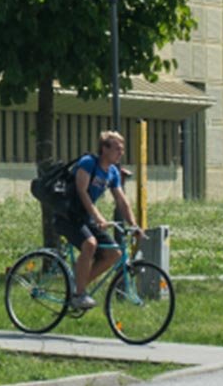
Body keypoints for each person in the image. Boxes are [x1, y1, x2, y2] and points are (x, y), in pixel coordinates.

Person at [60, 130, 140, 310]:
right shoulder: (88, 163)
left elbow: (121, 200)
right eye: (117, 148)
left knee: (114, 254)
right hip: (68, 215)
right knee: (90, 243)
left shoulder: (112, 172)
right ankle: (79, 295)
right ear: (104, 148)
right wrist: (98, 217)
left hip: (85, 218)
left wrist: (134, 225)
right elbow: (82, 191)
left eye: (122, 149)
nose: (121, 152)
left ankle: (76, 287)